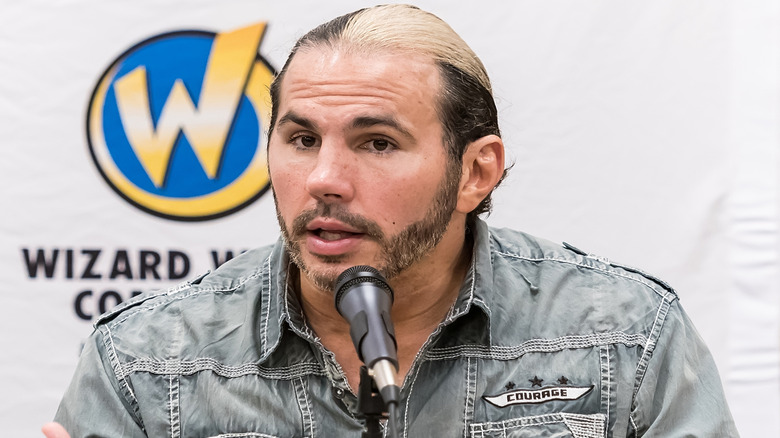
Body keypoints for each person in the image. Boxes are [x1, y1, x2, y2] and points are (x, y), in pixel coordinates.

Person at [45, 4, 739, 437]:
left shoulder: (624, 336)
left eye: (377, 143)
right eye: (301, 138)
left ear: (477, 172)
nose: (323, 179)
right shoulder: (146, 359)